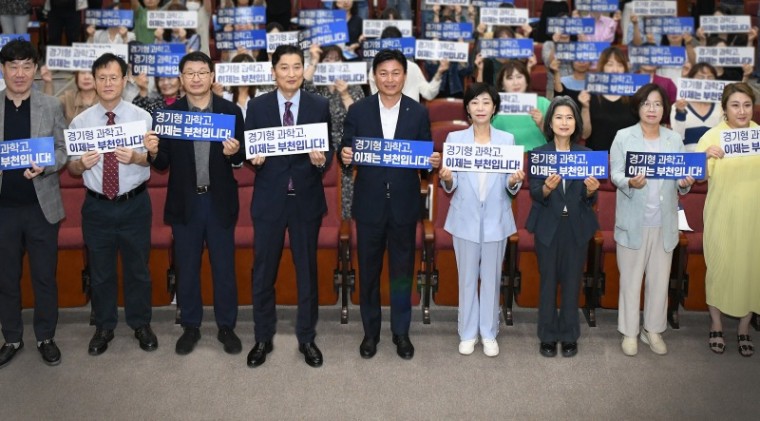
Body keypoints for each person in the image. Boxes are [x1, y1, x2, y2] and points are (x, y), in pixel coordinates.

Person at [340, 49, 441, 360]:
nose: (389, 79)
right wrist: (344, 157)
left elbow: (423, 163)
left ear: (405, 76)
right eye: (383, 73)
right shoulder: (358, 111)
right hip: (369, 205)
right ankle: (370, 333)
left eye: (395, 73)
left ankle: (401, 333)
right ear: (374, 76)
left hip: (404, 205)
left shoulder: (419, 112)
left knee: (401, 273)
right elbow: (346, 152)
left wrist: (431, 163)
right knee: (368, 273)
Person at [143, 51, 245, 356]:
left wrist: (234, 153)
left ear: (212, 77)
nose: (197, 78)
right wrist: (151, 151)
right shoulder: (169, 114)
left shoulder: (230, 112)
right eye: (190, 73)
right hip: (185, 202)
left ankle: (226, 326)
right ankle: (191, 326)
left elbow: (241, 158)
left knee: (223, 267)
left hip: (219, 200)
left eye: (203, 72)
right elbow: (162, 164)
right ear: (181, 79)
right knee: (187, 267)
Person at [245, 45, 332, 369]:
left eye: (297, 66)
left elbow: (329, 150)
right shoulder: (257, 105)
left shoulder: (318, 104)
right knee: (263, 271)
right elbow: (248, 146)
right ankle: (262, 337)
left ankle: (307, 337)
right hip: (269, 199)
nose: (292, 73)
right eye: (285, 67)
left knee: (306, 271)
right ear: (274, 72)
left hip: (305, 199)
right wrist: (253, 158)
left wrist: (322, 161)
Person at [67, 53, 156, 356]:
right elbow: (72, 169)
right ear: (93, 79)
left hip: (134, 203)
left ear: (124, 79)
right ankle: (104, 326)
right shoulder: (81, 121)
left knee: (138, 269)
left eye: (113, 77)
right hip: (97, 207)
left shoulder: (141, 117)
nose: (107, 83)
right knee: (101, 271)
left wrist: (136, 157)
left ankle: (141, 324)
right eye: (102, 77)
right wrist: (81, 163)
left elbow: (152, 159)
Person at [438, 83, 524, 357]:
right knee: (466, 279)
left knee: (491, 278)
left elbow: (511, 187)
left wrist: (513, 182)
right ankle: (466, 332)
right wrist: (447, 179)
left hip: (497, 219)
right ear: (467, 108)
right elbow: (450, 185)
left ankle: (488, 332)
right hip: (464, 218)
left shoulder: (507, 141)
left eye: (486, 102)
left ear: (494, 107)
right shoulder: (454, 139)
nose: (480, 108)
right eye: (475, 103)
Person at [610, 83, 695, 357]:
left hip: (664, 222)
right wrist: (629, 182)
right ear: (638, 107)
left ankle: (653, 330)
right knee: (631, 281)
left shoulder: (674, 140)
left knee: (659, 281)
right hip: (633, 221)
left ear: (664, 109)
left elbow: (681, 182)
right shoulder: (624, 137)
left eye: (657, 104)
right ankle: (630, 332)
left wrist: (685, 183)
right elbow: (615, 174)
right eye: (647, 103)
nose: (652, 109)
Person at [0, 39, 66, 368]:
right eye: (13, 66)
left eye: (27, 66)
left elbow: (63, 151)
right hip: (3, 210)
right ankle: (11, 336)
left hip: (42, 207)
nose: (20, 73)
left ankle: (45, 336)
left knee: (43, 276)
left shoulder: (51, 106)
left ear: (37, 71)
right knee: (6, 277)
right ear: (3, 69)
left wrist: (47, 164)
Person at [526, 96, 600, 358]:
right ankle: (547, 335)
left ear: (576, 123)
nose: (564, 122)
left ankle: (569, 334)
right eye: (558, 117)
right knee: (548, 282)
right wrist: (547, 188)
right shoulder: (538, 154)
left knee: (572, 282)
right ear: (550, 122)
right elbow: (535, 192)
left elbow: (591, 199)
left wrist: (591, 192)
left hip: (576, 227)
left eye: (569, 117)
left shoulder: (587, 155)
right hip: (548, 225)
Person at [696, 82, 760, 357]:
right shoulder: (711, 137)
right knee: (720, 268)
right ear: (724, 109)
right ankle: (716, 323)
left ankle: (744, 328)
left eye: (747, 104)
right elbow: (698, 177)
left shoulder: (759, 135)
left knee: (752, 270)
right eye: (735, 105)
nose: (742, 111)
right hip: (721, 214)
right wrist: (704, 156)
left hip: (754, 218)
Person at [303, 43, 364, 219]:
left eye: (336, 59)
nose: (331, 63)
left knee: (347, 202)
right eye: (327, 59)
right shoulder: (315, 88)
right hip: (318, 150)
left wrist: (345, 94)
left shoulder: (353, 87)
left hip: (346, 151)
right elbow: (300, 87)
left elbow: (362, 117)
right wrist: (314, 61)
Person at [575, 46, 639, 151]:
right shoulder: (589, 95)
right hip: (597, 158)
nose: (615, 70)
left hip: (627, 157)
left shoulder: (634, 95)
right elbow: (584, 135)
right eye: (610, 64)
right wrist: (585, 108)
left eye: (620, 65)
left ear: (625, 68)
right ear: (602, 67)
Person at [368, 27, 447, 102]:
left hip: (412, 114)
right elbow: (377, 99)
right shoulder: (374, 70)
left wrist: (439, 73)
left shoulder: (412, 67)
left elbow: (429, 93)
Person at [490, 60, 550, 151]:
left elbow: (559, 140)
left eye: (519, 77)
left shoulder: (543, 103)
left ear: (526, 81)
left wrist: (542, 125)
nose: (516, 83)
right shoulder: (493, 107)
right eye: (510, 78)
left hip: (538, 159)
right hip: (506, 159)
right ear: (502, 84)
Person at [670, 63, 723, 151]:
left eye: (710, 77)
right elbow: (676, 138)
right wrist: (680, 112)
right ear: (691, 80)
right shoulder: (678, 106)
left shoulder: (721, 107)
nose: (706, 81)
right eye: (701, 77)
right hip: (689, 160)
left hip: (716, 159)